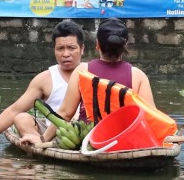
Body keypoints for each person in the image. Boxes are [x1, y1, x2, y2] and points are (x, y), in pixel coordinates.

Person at [21, 18, 155, 145]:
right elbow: (151, 117)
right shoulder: (138, 75)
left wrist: (43, 140)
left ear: (97, 44)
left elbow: (66, 113)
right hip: (124, 139)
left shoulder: (82, 70)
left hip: (87, 140)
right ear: (126, 45)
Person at [0, 20, 85, 148]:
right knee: (21, 118)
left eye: (71, 48)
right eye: (60, 48)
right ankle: (38, 146)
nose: (65, 54)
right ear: (54, 50)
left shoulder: (92, 72)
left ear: (82, 49)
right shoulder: (45, 78)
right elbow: (14, 110)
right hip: (51, 133)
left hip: (83, 132)